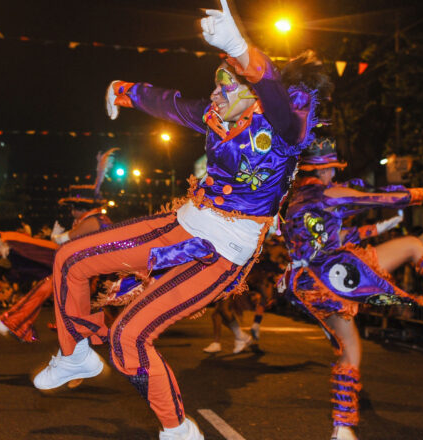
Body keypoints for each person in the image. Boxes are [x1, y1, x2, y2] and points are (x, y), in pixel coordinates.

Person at [33, 2, 331, 437]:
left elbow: (269, 85)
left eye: (226, 86)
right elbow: (169, 103)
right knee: (70, 260)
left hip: (223, 253)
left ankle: (178, 430)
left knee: (126, 339)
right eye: (216, 86)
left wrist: (239, 47)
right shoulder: (213, 117)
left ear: (251, 93)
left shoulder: (282, 131)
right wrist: (124, 90)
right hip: (185, 224)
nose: (215, 95)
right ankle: (74, 351)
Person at [280, 139, 423, 440]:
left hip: (305, 284)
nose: (333, 175)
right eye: (331, 170)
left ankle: (342, 428)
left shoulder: (294, 202)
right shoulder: (327, 194)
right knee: (414, 245)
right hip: (329, 275)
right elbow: (376, 197)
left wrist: (379, 230)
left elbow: (337, 234)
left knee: (350, 349)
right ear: (321, 171)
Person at [0, 154, 115, 341]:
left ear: (80, 207)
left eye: (73, 207)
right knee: (47, 289)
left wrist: (55, 236)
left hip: (91, 278)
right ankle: (10, 322)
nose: (71, 211)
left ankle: (11, 321)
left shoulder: (92, 221)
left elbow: (64, 241)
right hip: (84, 276)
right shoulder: (93, 218)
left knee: (52, 289)